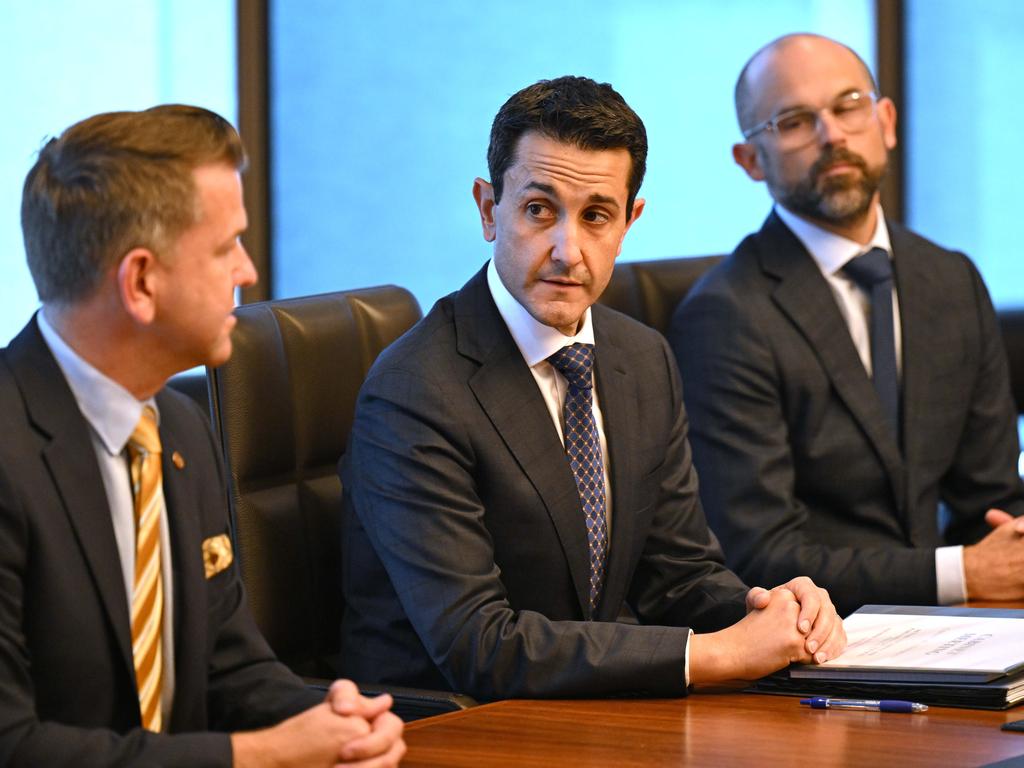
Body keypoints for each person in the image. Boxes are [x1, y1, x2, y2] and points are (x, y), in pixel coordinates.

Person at [340, 75, 844, 702]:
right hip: (448, 726)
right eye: (538, 210)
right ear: (488, 210)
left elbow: (677, 573)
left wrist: (767, 612)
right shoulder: (416, 389)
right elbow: (478, 645)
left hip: (591, 708)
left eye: (596, 216)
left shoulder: (641, 357)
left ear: (629, 222)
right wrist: (716, 653)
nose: (566, 250)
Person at [0, 105, 405, 767]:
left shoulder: (178, 426)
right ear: (140, 281)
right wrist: (261, 756)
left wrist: (334, 722)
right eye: (226, 248)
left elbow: (228, 664)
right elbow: (13, 746)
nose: (247, 271)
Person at [669, 34, 1024, 617]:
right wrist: (960, 572)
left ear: (885, 121)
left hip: (966, 630)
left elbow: (990, 500)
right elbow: (757, 554)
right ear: (750, 160)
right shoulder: (726, 315)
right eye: (794, 121)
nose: (832, 135)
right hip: (820, 649)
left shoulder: (951, 279)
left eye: (848, 106)